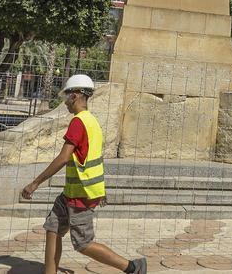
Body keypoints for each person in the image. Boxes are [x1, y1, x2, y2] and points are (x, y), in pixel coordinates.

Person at [21, 74, 145, 274]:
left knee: (83, 243)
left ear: (75, 96)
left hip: (82, 194)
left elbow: (64, 157)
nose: (65, 102)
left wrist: (35, 183)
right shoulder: (91, 121)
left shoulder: (79, 122)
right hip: (71, 192)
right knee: (53, 228)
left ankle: (132, 267)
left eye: (66, 97)